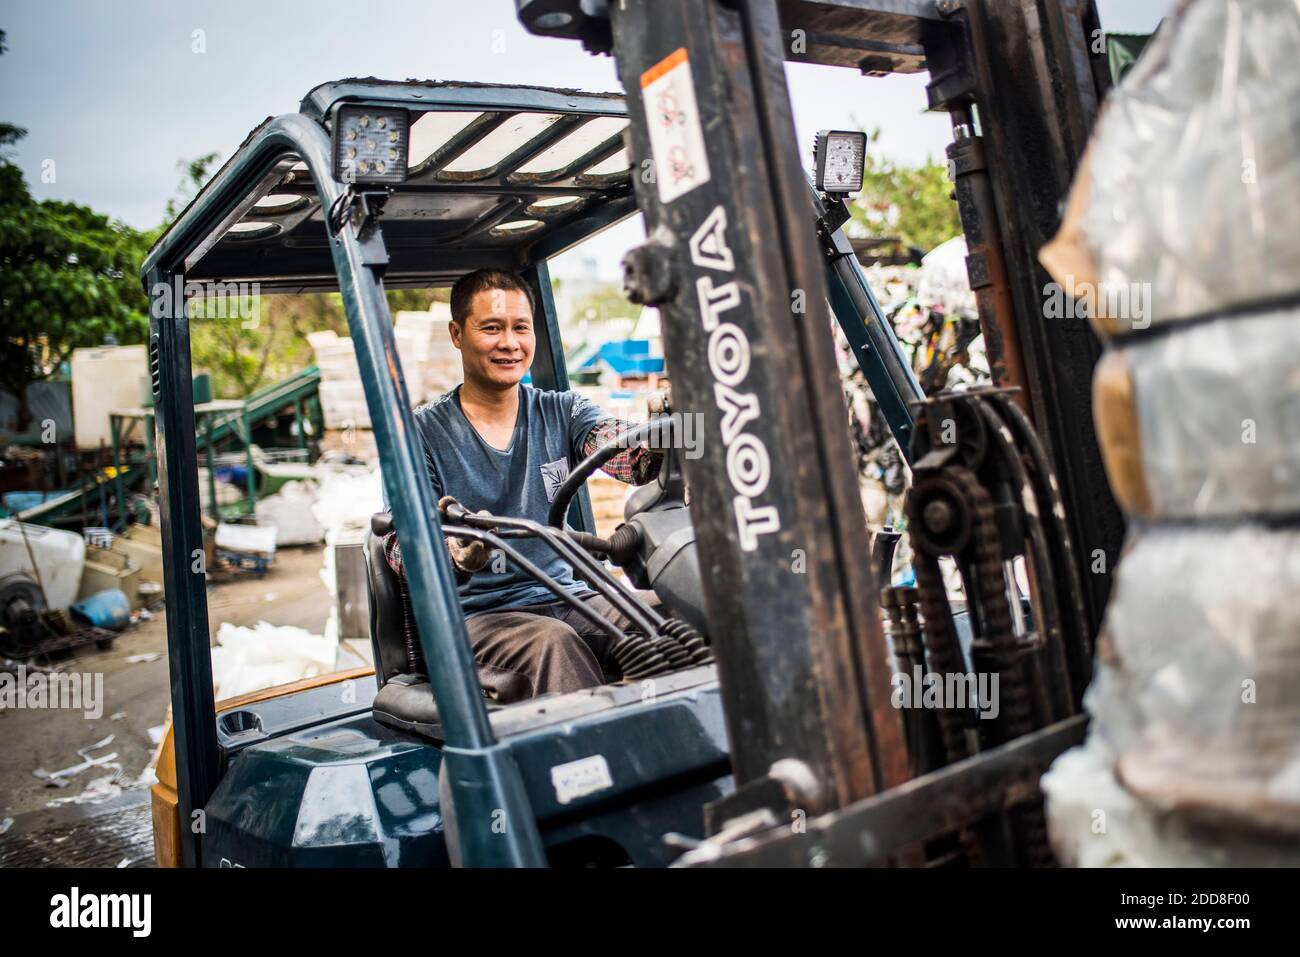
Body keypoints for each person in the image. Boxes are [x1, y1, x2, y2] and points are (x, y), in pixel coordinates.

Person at [383, 268, 664, 701]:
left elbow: (629, 456)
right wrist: (452, 555)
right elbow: (404, 542)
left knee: (664, 618)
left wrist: (666, 432)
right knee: (554, 644)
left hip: (564, 596)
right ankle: (592, 766)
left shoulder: (562, 412)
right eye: (491, 328)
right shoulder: (419, 435)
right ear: (457, 334)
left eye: (521, 328)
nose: (510, 343)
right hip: (476, 618)